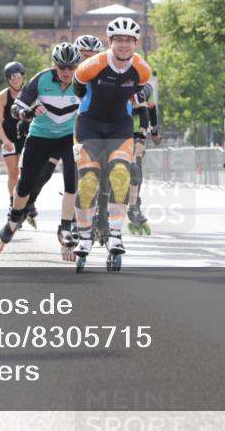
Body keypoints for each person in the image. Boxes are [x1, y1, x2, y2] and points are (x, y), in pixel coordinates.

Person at [71, 17, 153, 271]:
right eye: (119, 40)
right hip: (89, 125)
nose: (124, 45)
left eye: (129, 40)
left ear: (136, 43)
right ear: (110, 41)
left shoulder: (142, 69)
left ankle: (115, 234)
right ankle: (84, 236)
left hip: (119, 125)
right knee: (88, 183)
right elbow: (78, 87)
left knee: (120, 174)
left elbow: (142, 92)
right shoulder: (92, 66)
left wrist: (144, 117)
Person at [0, 43, 82, 258]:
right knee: (25, 184)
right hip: (41, 136)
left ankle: (65, 227)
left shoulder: (83, 81)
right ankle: (15, 216)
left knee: (72, 181)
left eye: (72, 68)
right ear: (54, 65)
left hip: (68, 137)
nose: (67, 73)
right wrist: (27, 113)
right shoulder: (42, 79)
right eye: (62, 67)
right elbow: (17, 106)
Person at [126, 75, 160, 236]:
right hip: (116, 129)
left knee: (135, 166)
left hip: (137, 130)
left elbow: (150, 110)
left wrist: (153, 131)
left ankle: (135, 206)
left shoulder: (145, 89)